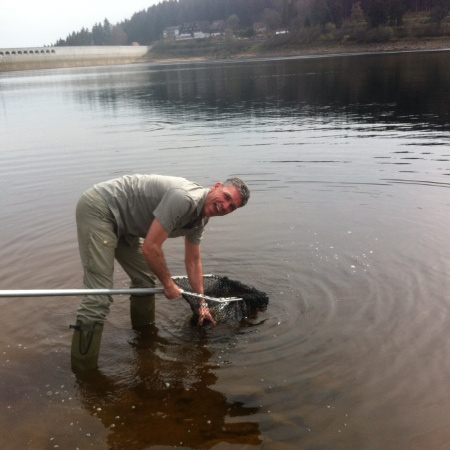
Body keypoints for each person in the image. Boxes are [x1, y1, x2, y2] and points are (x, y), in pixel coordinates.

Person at [70, 174, 250, 371]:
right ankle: (83, 371)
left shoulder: (201, 219)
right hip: (101, 209)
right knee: (99, 296)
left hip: (128, 226)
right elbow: (151, 248)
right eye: (226, 197)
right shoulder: (184, 199)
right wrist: (168, 284)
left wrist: (202, 303)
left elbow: (193, 261)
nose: (225, 206)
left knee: (145, 280)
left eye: (232, 207)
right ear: (216, 187)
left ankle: (144, 338)